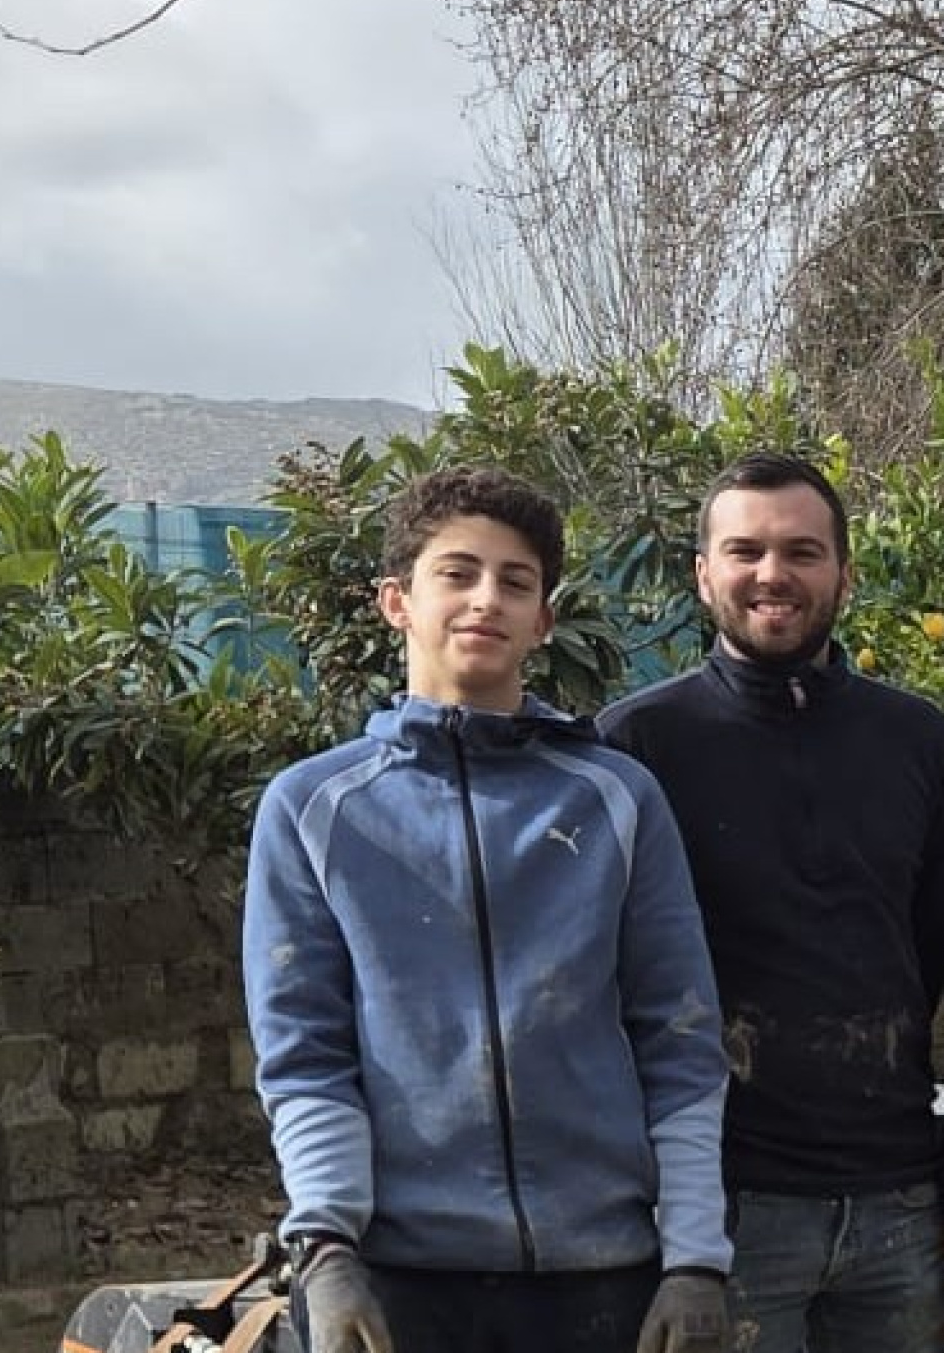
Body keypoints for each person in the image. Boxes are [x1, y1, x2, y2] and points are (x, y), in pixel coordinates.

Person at [243, 468, 732, 1353]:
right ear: (396, 601)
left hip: (602, 1275)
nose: (486, 600)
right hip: (397, 1280)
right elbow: (305, 1052)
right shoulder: (314, 808)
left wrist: (696, 1258)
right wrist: (326, 1248)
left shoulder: (616, 799)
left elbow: (681, 1038)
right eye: (457, 573)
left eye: (515, 582)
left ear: (543, 619)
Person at [599, 453, 944, 1353]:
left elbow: (926, 951)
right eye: (746, 551)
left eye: (802, 552)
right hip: (723, 1209)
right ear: (703, 574)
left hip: (895, 1196)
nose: (773, 574)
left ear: (844, 573)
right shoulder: (634, 747)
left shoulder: (918, 738)